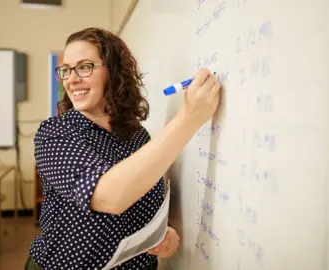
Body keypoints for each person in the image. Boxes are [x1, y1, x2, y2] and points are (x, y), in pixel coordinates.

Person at [26, 27, 222, 270]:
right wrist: (189, 119)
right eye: (66, 69)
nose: (71, 79)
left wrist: (163, 234)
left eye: (84, 67)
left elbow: (141, 201)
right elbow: (109, 197)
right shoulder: (55, 133)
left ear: (114, 71)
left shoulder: (138, 136)